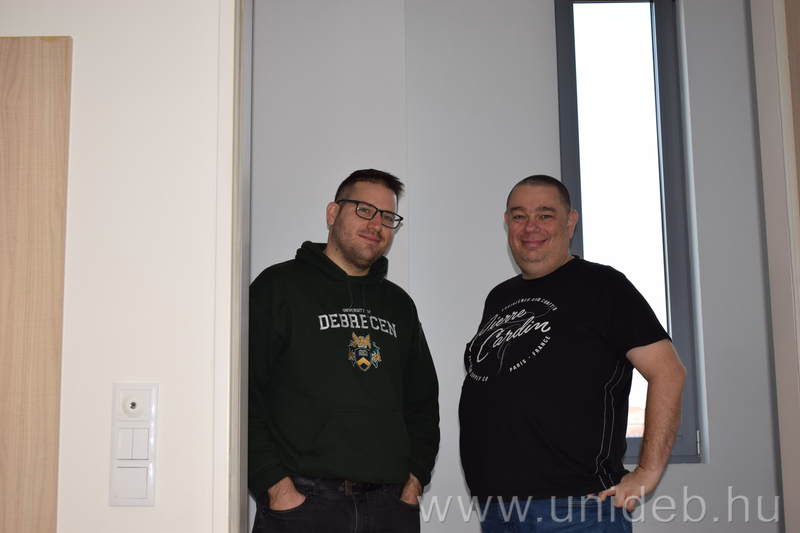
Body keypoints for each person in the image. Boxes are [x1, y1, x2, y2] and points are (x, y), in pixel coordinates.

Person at [459, 175, 686, 532]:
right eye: (519, 216)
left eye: (545, 215)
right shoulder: (499, 297)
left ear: (570, 222)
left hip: (577, 508)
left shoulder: (604, 285)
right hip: (497, 509)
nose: (530, 226)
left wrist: (647, 472)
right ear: (507, 223)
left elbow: (668, 371)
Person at [248, 169, 440, 533]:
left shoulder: (399, 305)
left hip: (390, 505)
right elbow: (243, 396)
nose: (377, 225)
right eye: (364, 210)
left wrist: (414, 483)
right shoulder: (278, 288)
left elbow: (423, 404)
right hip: (302, 505)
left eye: (388, 217)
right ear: (333, 213)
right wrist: (275, 486)